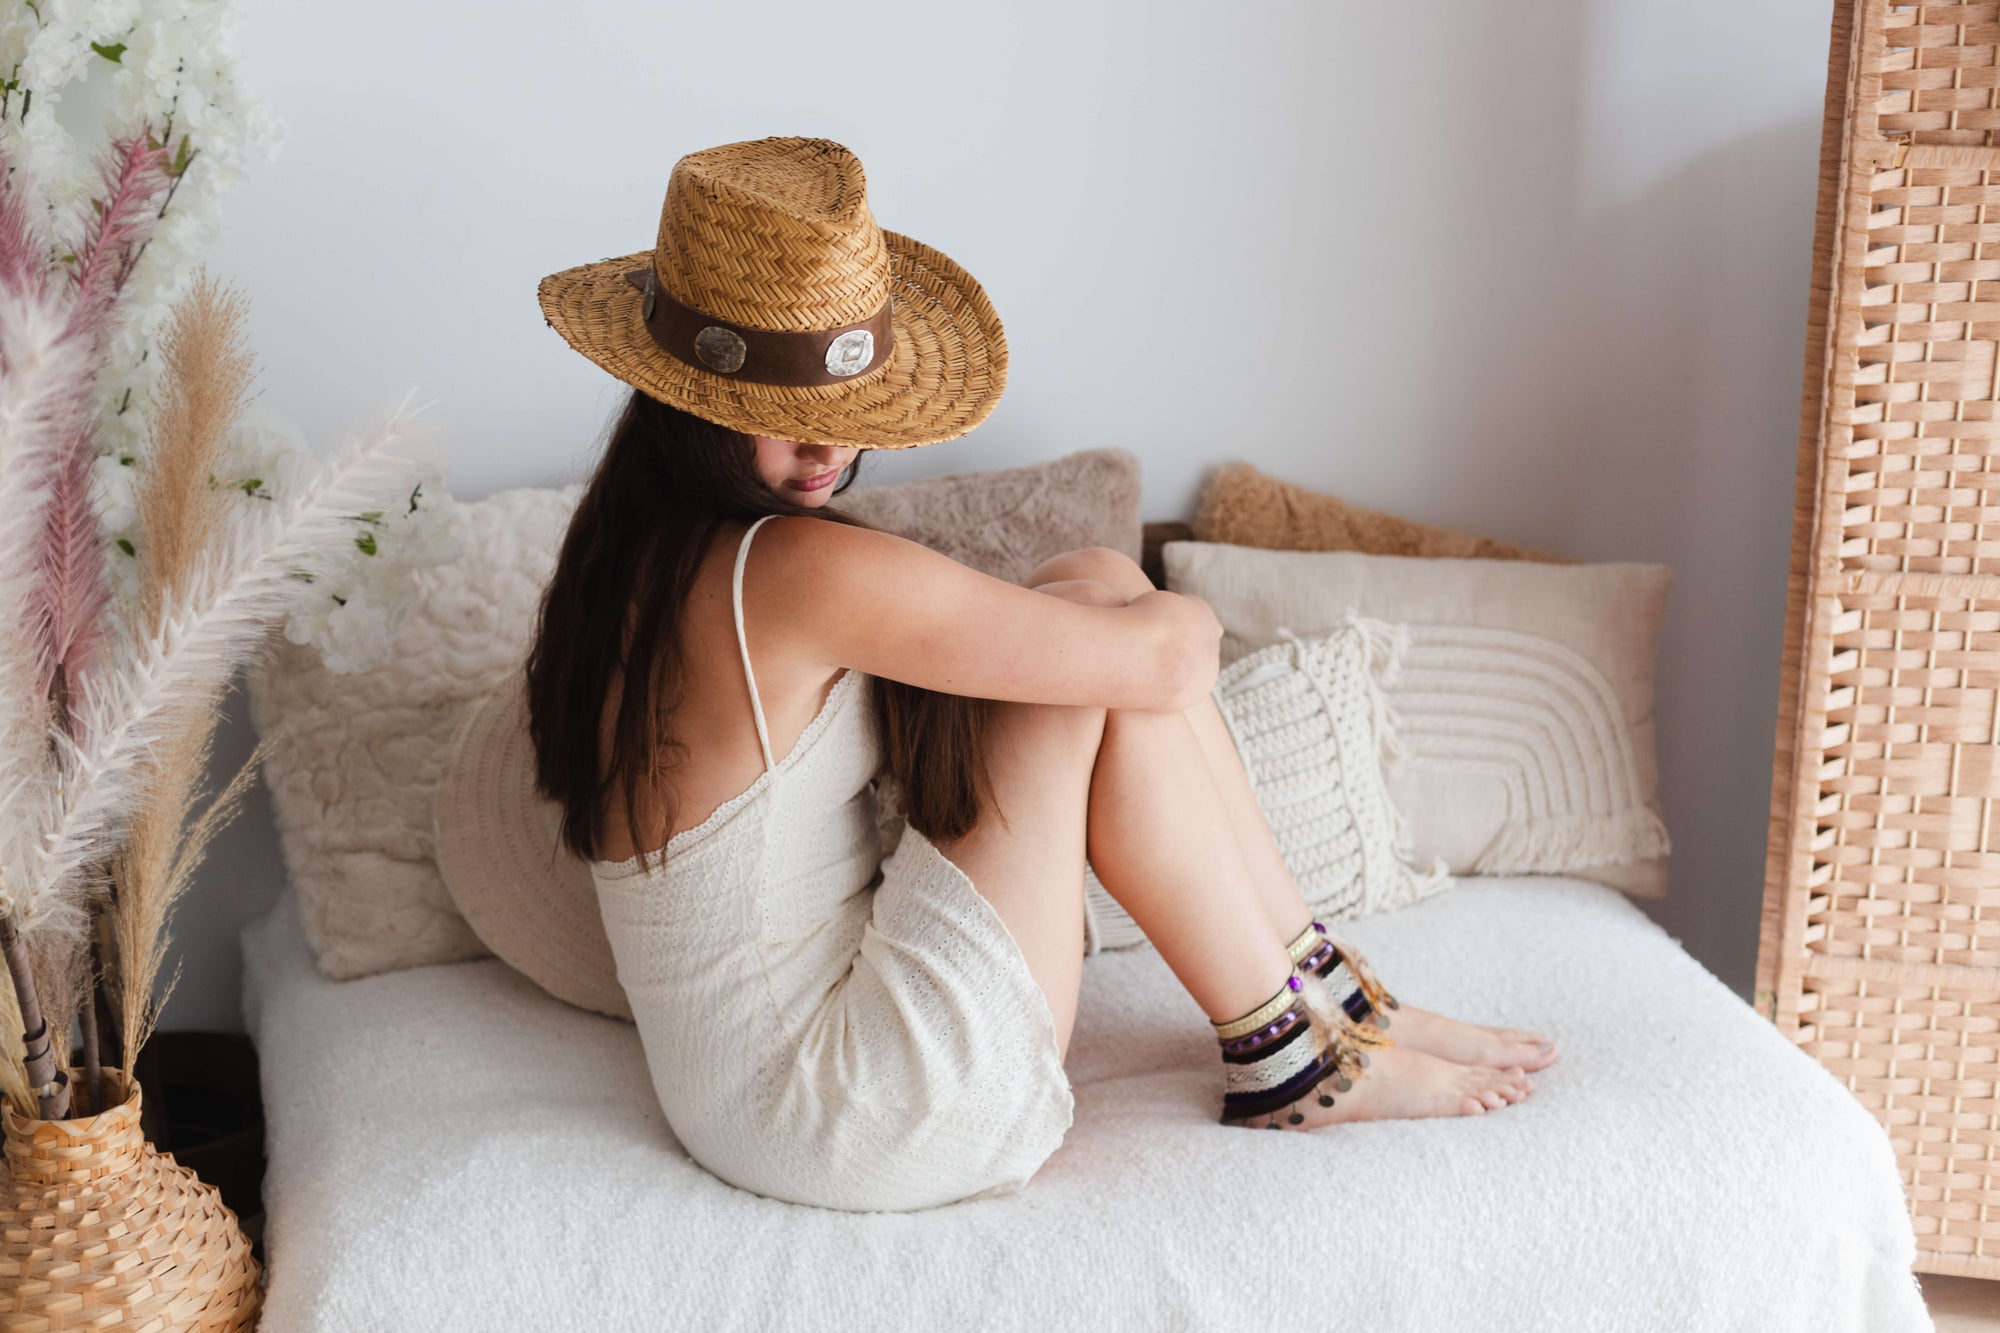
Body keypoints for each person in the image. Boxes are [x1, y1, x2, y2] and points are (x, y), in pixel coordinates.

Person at [525, 136, 1556, 1213]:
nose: (821, 445)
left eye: (839, 401)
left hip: (743, 1102)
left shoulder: (629, 551)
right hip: (845, 1111)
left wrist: (1127, 607)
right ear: (684, 397)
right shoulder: (791, 570)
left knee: (1097, 578)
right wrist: (1175, 613)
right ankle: (1294, 1053)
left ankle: (1332, 996)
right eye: (776, 402)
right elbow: (1163, 662)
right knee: (1114, 642)